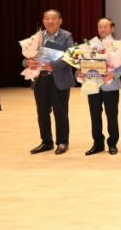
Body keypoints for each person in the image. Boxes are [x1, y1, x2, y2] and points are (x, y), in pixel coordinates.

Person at [24, 9, 75, 155]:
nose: (50, 21)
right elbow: (26, 57)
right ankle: (46, 142)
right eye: (47, 18)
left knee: (60, 112)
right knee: (42, 112)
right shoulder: (37, 37)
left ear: (60, 21)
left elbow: (70, 57)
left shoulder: (66, 36)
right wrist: (27, 62)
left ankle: (62, 142)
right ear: (43, 21)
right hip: (41, 79)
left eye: (53, 18)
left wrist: (52, 65)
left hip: (58, 79)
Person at [83, 17, 121, 155]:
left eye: (105, 26)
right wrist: (81, 70)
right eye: (100, 27)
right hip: (93, 85)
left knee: (112, 116)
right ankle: (97, 143)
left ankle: (112, 143)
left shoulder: (119, 45)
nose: (102, 29)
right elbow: (84, 62)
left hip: (110, 85)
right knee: (94, 115)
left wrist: (112, 75)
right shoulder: (90, 45)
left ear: (112, 28)